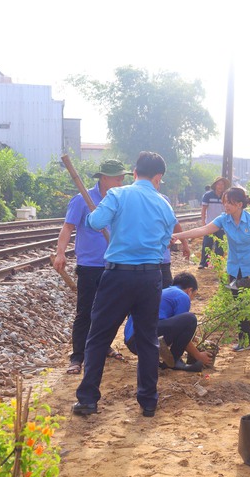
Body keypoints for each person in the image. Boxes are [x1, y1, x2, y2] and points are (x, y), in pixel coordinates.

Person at [72, 151, 183, 418]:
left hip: (118, 276)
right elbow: (166, 240)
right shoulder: (164, 205)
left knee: (99, 336)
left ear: (134, 173)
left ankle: (88, 399)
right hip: (150, 278)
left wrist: (100, 219)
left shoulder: (118, 195)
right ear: (158, 178)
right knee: (147, 340)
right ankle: (148, 401)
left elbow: (96, 222)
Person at [175, 187, 250, 354]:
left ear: (240, 204)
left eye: (230, 202)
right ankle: (245, 340)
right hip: (235, 268)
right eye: (225, 202)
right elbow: (203, 230)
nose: (226, 206)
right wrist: (179, 236)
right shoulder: (224, 220)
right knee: (239, 306)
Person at [53, 159, 132, 375]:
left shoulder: (121, 199)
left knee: (109, 311)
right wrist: (60, 253)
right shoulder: (82, 200)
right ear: (104, 178)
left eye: (122, 178)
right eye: (117, 178)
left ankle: (102, 346)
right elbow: (68, 228)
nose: (121, 181)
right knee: (86, 312)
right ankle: (78, 356)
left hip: (114, 264)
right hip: (89, 266)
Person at [124, 272, 213, 371]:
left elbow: (174, 327)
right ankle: (173, 362)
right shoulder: (182, 296)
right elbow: (183, 327)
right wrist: (198, 355)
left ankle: (166, 360)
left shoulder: (165, 292)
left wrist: (193, 338)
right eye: (194, 295)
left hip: (132, 341)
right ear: (190, 290)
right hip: (144, 336)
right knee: (190, 319)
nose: (191, 300)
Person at [199, 176, 229, 269]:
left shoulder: (226, 196)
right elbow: (203, 209)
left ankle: (218, 264)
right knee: (207, 243)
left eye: (222, 184)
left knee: (220, 245)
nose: (221, 186)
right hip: (210, 224)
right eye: (219, 184)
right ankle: (203, 263)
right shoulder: (208, 195)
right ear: (215, 185)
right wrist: (203, 222)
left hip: (222, 225)